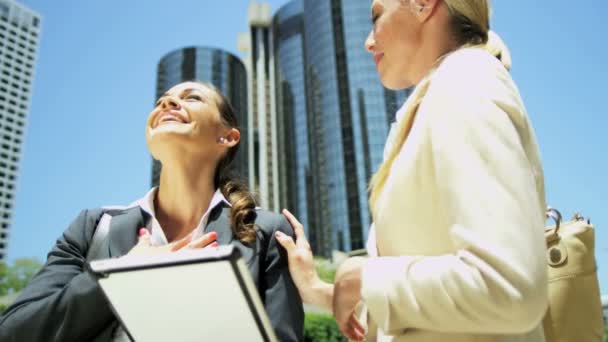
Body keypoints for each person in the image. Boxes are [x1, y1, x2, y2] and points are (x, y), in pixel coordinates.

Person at [276, 0, 548, 341]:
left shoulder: (465, 83)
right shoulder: (433, 104)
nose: (368, 42)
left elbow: (510, 286)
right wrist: (320, 289)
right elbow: (415, 309)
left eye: (376, 17)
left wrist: (366, 277)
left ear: (422, 5)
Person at [0, 81, 304, 341]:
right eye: (161, 101)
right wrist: (120, 274)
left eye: (191, 98)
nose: (167, 102)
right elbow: (14, 332)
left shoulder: (266, 231)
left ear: (227, 137)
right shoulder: (92, 227)